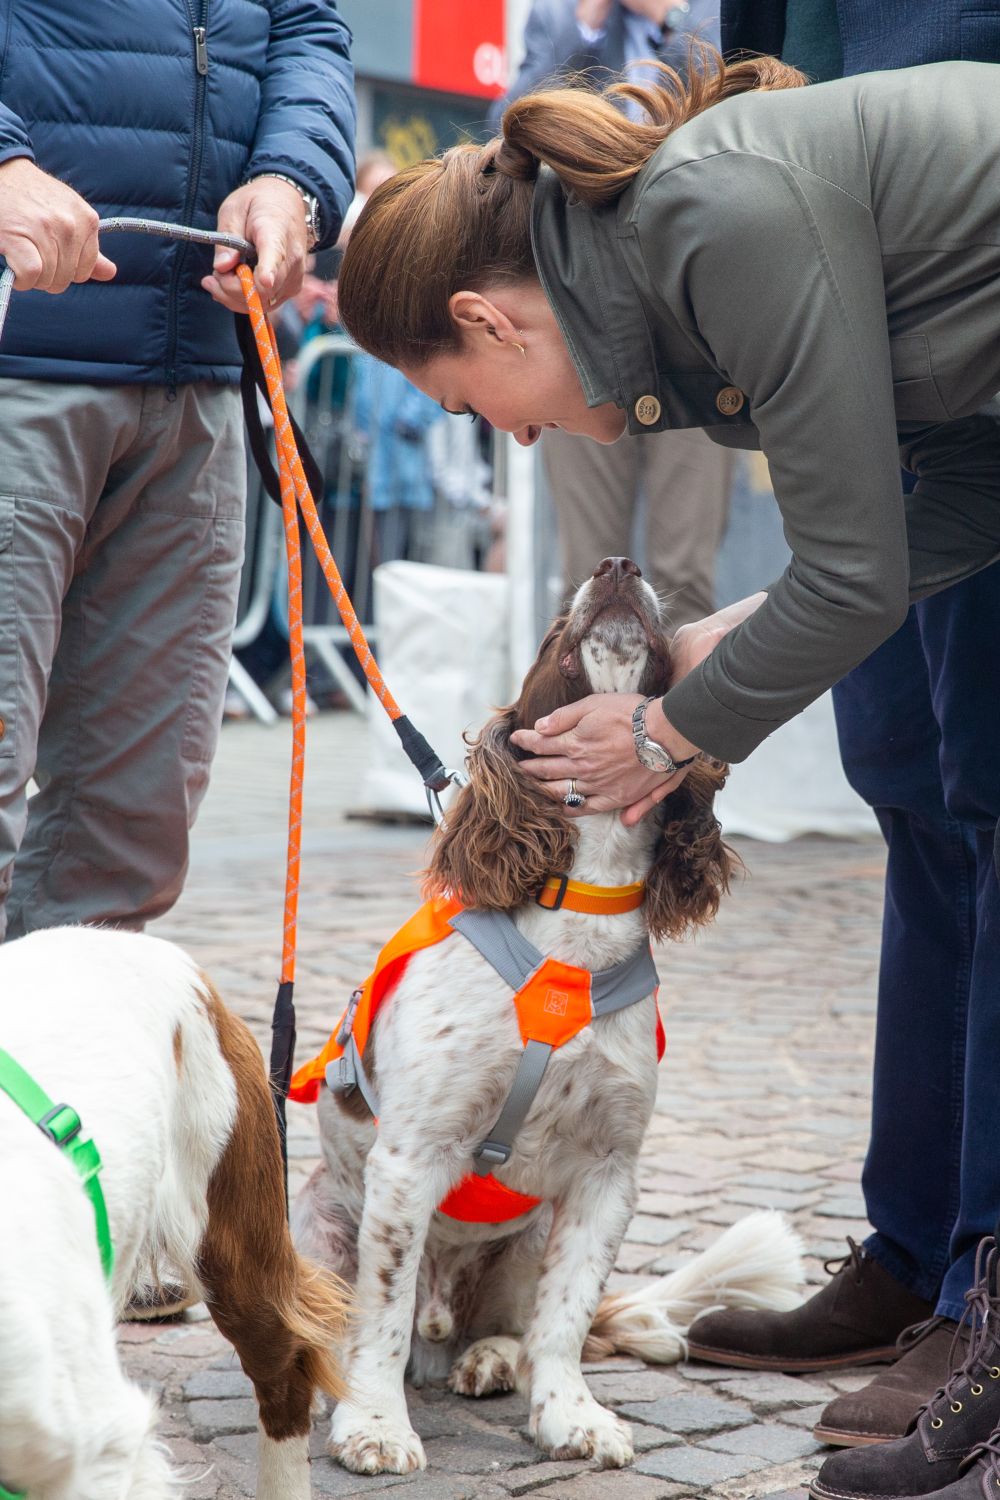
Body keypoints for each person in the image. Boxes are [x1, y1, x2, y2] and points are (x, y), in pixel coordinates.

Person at [333, 43, 1000, 1494]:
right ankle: (932, 1268)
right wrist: (705, 647)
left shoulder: (716, 221)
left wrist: (667, 735)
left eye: (471, 404)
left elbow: (857, 569)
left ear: (483, 319)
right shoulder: (675, 259)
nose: (505, 434)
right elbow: (955, 497)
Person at [670, 4, 1000, 1483]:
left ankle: (984, 1280)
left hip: (969, 355)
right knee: (912, 796)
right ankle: (915, 1240)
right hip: (853, 355)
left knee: (992, 803)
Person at [0, 1, 355, 946]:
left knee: (132, 822)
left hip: (196, 371)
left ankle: (70, 1076)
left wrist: (291, 181)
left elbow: (308, 32)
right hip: (18, 350)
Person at [496, 0, 733, 623]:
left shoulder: (706, 14)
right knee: (587, 574)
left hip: (697, 320)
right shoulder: (558, 24)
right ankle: (576, 719)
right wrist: (590, 27)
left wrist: (665, 18)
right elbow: (510, 138)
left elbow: (727, 97)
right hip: (580, 323)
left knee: (686, 572)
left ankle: (674, 721)